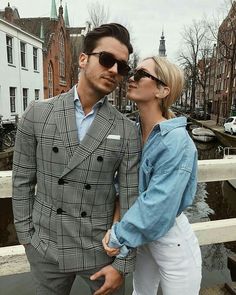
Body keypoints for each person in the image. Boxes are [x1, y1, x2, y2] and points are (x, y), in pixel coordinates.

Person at [12, 23, 141, 295]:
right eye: (106, 59)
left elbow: (130, 201)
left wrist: (122, 263)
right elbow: (22, 181)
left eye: (123, 66)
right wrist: (27, 238)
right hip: (46, 248)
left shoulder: (127, 130)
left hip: (100, 252)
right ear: (83, 59)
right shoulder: (36, 114)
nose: (115, 70)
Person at [103, 56, 202, 295]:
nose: (131, 78)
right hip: (143, 238)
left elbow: (159, 204)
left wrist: (118, 235)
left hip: (171, 242)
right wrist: (117, 221)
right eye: (133, 72)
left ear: (162, 90)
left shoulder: (176, 142)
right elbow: (124, 186)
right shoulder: (135, 133)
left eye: (141, 74)